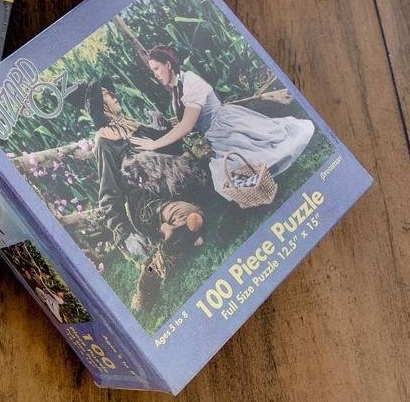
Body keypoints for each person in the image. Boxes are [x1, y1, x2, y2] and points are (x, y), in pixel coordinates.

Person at [130, 45, 314, 197]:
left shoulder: (191, 82)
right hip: (215, 135)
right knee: (228, 175)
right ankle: (253, 182)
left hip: (227, 124)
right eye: (152, 70)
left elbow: (186, 125)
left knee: (265, 152)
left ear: (168, 64)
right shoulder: (177, 90)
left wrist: (154, 144)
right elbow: (185, 122)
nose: (155, 74)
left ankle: (259, 177)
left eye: (156, 68)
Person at [57, 78, 206, 261]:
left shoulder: (131, 125)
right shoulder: (105, 143)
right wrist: (124, 233)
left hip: (170, 188)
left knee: (196, 214)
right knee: (191, 216)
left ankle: (172, 231)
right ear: (101, 107)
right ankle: (167, 233)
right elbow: (109, 193)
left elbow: (170, 150)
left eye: (110, 93)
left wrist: (163, 129)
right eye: (106, 95)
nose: (114, 96)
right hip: (147, 204)